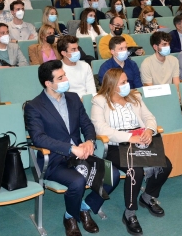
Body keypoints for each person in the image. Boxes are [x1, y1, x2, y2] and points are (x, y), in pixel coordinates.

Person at [24, 60, 113, 236]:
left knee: (112, 174)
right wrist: (71, 149)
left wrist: (89, 141)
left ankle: (84, 208)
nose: (66, 78)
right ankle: (70, 217)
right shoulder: (34, 106)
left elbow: (87, 124)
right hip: (55, 160)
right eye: (60, 77)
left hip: (82, 153)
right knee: (77, 181)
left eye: (64, 74)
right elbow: (38, 138)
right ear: (48, 83)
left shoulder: (73, 98)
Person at [91, 68, 171, 235]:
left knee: (165, 165)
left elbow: (150, 117)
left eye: (127, 81)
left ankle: (147, 196)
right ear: (112, 85)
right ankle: (130, 213)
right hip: (115, 145)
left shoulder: (135, 97)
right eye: (123, 82)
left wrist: (149, 130)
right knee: (135, 171)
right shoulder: (99, 101)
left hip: (140, 139)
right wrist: (129, 137)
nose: (127, 84)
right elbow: (101, 129)